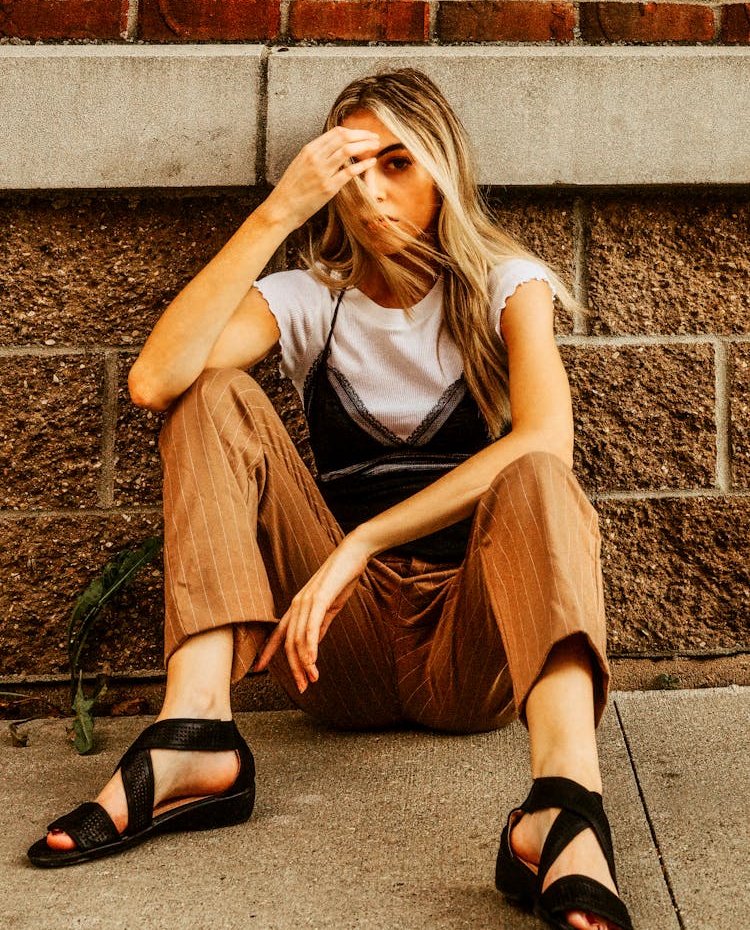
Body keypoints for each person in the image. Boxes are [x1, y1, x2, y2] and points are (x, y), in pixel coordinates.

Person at [28, 68, 632, 930]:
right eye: (351, 168)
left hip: (470, 650)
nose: (374, 191)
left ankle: (562, 805)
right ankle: (195, 737)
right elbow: (154, 381)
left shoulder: (507, 285)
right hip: (335, 655)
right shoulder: (313, 299)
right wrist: (278, 212)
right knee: (208, 393)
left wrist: (361, 545)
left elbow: (544, 441)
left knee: (534, 473)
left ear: (442, 173)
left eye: (398, 163)